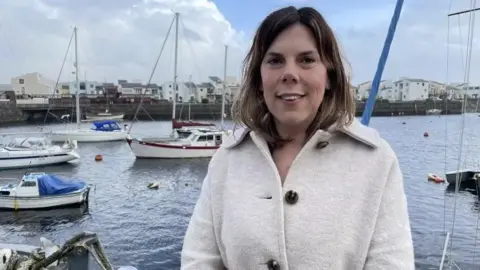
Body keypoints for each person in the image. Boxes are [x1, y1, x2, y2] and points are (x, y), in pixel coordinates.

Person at [181, 5, 414, 270]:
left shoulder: (376, 161)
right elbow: (199, 260)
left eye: (306, 60)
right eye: (275, 60)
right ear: (259, 78)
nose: (289, 74)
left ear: (329, 75)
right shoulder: (227, 159)